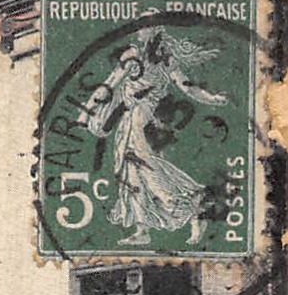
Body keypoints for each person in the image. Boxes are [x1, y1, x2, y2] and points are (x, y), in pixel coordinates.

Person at [79, 25, 230, 246]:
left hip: (141, 118)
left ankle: (191, 205)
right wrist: (86, 113)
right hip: (132, 118)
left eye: (143, 28)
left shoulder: (153, 58)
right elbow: (110, 85)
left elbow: (110, 86)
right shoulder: (143, 57)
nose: (138, 32)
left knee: (144, 166)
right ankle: (144, 229)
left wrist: (213, 99)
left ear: (153, 31)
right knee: (132, 171)